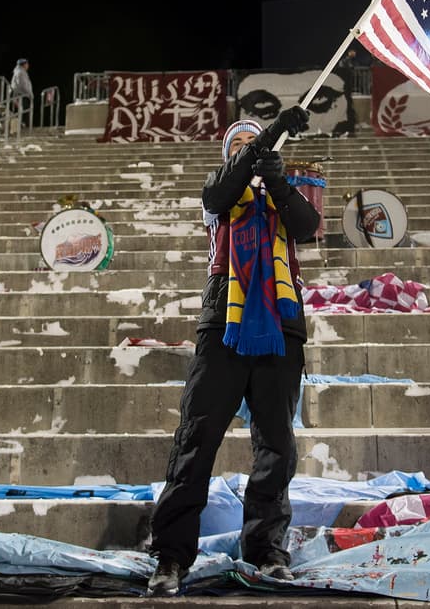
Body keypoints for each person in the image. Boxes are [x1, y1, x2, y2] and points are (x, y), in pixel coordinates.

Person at [146, 105, 318, 597]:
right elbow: (219, 191)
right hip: (224, 319)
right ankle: (171, 556)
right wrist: (266, 140)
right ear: (229, 153)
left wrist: (280, 181)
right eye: (240, 146)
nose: (249, 152)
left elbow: (305, 227)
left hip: (281, 324)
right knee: (196, 439)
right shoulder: (220, 191)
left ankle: (267, 550)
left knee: (276, 444)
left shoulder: (283, 188)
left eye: (255, 144)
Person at [10, 58, 33, 124]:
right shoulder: (20, 73)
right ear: (24, 65)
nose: (28, 65)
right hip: (21, 95)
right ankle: (23, 127)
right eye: (27, 64)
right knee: (23, 112)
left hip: (21, 95)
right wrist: (30, 94)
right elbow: (23, 85)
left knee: (23, 112)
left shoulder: (21, 72)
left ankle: (22, 126)